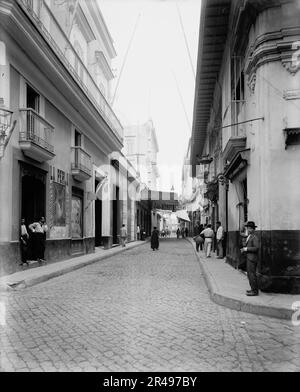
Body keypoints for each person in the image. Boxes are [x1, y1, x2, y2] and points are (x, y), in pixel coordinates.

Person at [240, 221, 259, 296]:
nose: (248, 229)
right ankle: (252, 289)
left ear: (253, 229)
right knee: (249, 275)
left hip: (252, 258)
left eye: (250, 228)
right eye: (248, 228)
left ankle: (254, 291)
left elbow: (256, 248)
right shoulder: (249, 236)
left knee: (252, 274)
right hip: (249, 258)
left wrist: (246, 249)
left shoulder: (254, 237)